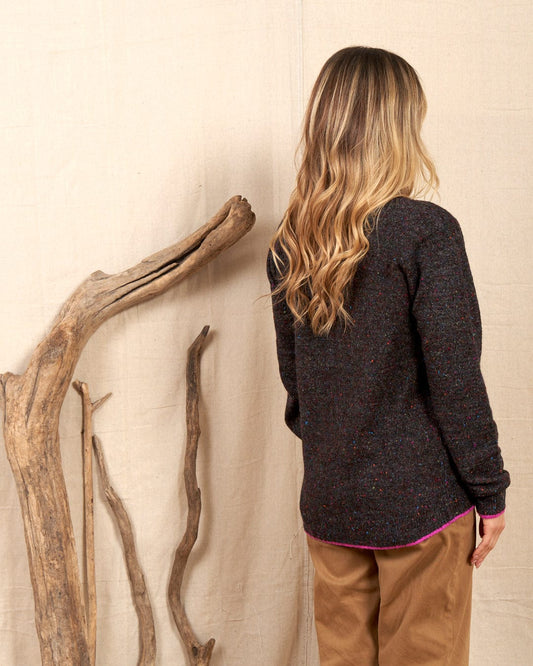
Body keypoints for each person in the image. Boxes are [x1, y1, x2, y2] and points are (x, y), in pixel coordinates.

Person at [265, 46, 510, 666]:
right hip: (423, 508)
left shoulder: (290, 245)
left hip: (330, 504)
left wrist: (339, 456)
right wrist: (490, 491)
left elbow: (298, 390)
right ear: (398, 129)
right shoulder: (425, 231)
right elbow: (457, 380)